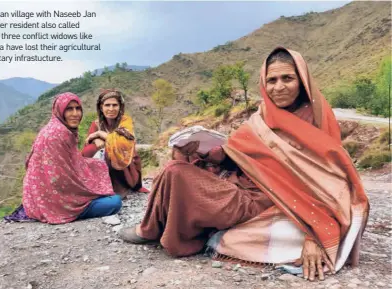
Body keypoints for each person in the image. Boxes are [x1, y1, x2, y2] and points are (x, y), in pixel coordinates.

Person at [119, 47, 369, 282]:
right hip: (236, 184)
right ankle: (160, 227)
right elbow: (237, 154)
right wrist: (203, 151)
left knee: (176, 173)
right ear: (263, 83)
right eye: (272, 81)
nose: (279, 87)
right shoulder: (261, 118)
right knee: (179, 164)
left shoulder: (316, 120)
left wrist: (313, 234)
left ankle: (152, 230)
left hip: (262, 201)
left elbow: (330, 183)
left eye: (287, 78)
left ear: (302, 80)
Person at [6, 92, 122, 224]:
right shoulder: (59, 134)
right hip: (55, 202)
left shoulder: (56, 128)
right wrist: (91, 189)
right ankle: (77, 210)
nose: (75, 114)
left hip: (37, 196)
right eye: (69, 109)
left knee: (98, 166)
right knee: (115, 202)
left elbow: (72, 163)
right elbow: (62, 180)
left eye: (78, 109)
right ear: (60, 111)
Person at [82, 89, 149, 198]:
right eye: (107, 105)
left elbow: (123, 144)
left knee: (111, 149)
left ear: (120, 107)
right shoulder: (96, 123)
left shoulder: (125, 121)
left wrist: (100, 134)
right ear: (101, 107)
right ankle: (95, 185)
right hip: (104, 164)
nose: (111, 109)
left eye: (115, 105)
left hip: (126, 164)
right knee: (90, 149)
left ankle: (118, 188)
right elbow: (87, 146)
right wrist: (95, 140)